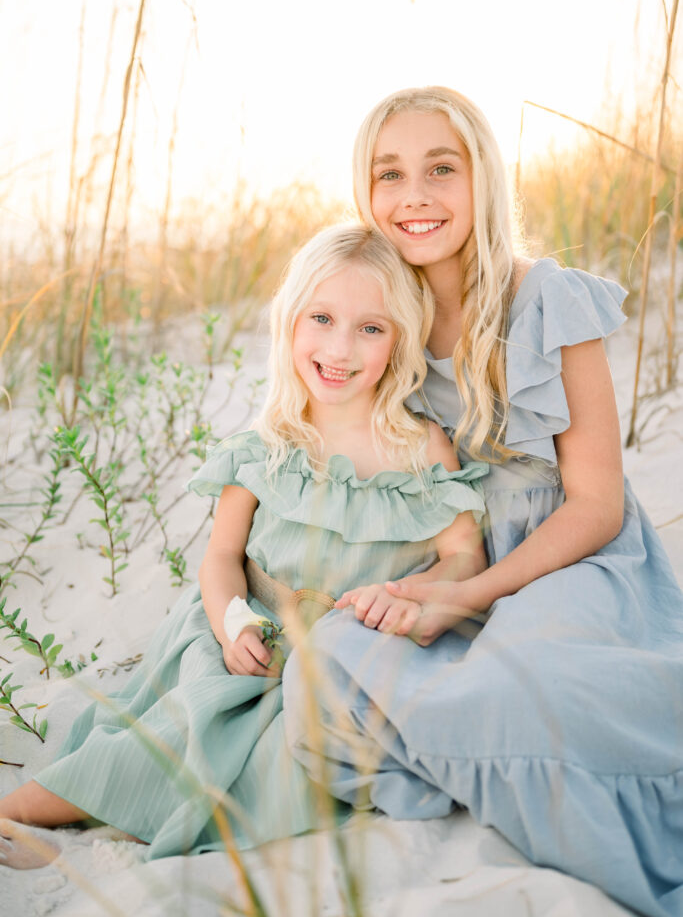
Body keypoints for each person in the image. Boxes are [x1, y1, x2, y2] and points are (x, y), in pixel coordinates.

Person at [282, 88, 683, 917]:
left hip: (571, 558)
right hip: (462, 552)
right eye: (389, 174)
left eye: (440, 168)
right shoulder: (381, 311)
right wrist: (428, 580)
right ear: (366, 189)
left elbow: (597, 503)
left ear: (481, 178)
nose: (415, 196)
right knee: (328, 653)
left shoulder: (547, 298)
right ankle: (469, 767)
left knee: (529, 685)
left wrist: (469, 595)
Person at [0, 223, 487, 868]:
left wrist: (411, 598)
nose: (340, 349)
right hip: (248, 638)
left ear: (399, 340)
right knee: (188, 728)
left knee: (291, 759)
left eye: (370, 328)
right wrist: (233, 625)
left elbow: (464, 556)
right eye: (321, 318)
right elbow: (223, 557)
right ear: (290, 324)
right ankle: (25, 809)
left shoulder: (421, 447)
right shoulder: (270, 445)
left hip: (350, 657)